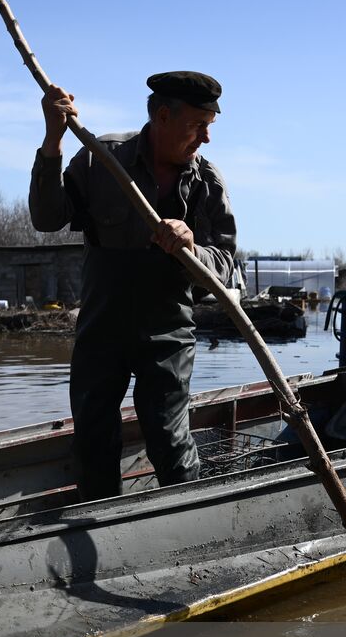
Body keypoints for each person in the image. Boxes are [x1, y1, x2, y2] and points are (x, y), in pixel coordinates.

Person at [29, 71, 238, 501]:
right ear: (163, 116)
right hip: (102, 326)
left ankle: (190, 522)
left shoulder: (207, 184)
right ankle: (102, 524)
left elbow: (229, 268)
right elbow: (46, 219)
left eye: (209, 127)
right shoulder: (100, 159)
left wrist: (191, 247)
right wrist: (53, 141)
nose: (206, 138)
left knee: (167, 433)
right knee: (92, 436)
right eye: (198, 126)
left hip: (167, 331)